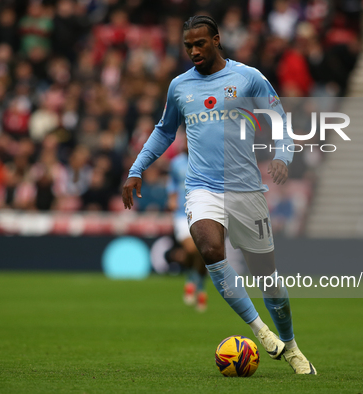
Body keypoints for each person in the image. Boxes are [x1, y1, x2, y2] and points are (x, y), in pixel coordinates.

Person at [122, 15, 316, 375]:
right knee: (210, 250)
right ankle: (260, 330)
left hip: (246, 190)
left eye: (200, 44)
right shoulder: (180, 87)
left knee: (267, 278)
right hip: (202, 188)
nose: (194, 51)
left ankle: (290, 344)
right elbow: (164, 132)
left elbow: (279, 119)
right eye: (188, 46)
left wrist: (283, 156)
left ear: (216, 40)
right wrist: (136, 169)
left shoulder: (248, 78)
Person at [167, 132, 208, 312]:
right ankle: (194, 281)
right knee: (191, 249)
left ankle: (197, 285)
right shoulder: (176, 163)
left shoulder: (207, 162)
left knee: (206, 253)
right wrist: (172, 196)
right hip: (182, 213)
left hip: (203, 213)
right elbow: (173, 182)